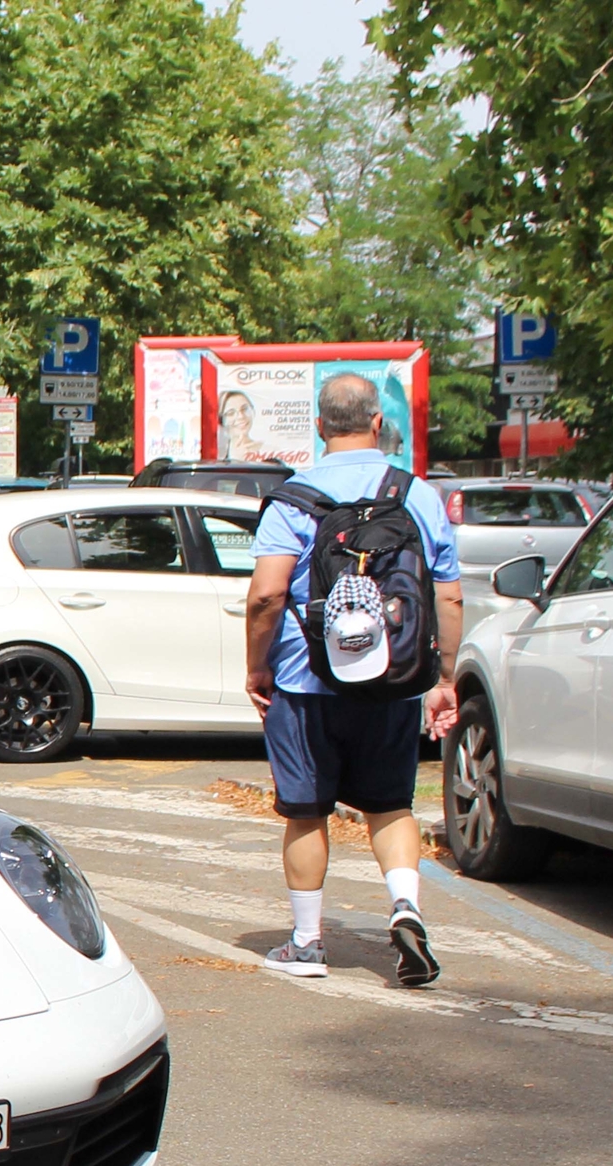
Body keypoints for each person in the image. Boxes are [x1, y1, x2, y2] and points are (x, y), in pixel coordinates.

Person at [244, 370, 463, 986]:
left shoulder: (294, 497)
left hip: (305, 679)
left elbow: (266, 596)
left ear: (319, 427)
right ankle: (406, 909)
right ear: (376, 424)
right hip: (393, 678)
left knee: (306, 811)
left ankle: (308, 944)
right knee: (391, 804)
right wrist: (443, 679)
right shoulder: (418, 494)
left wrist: (258, 669)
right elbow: (448, 598)